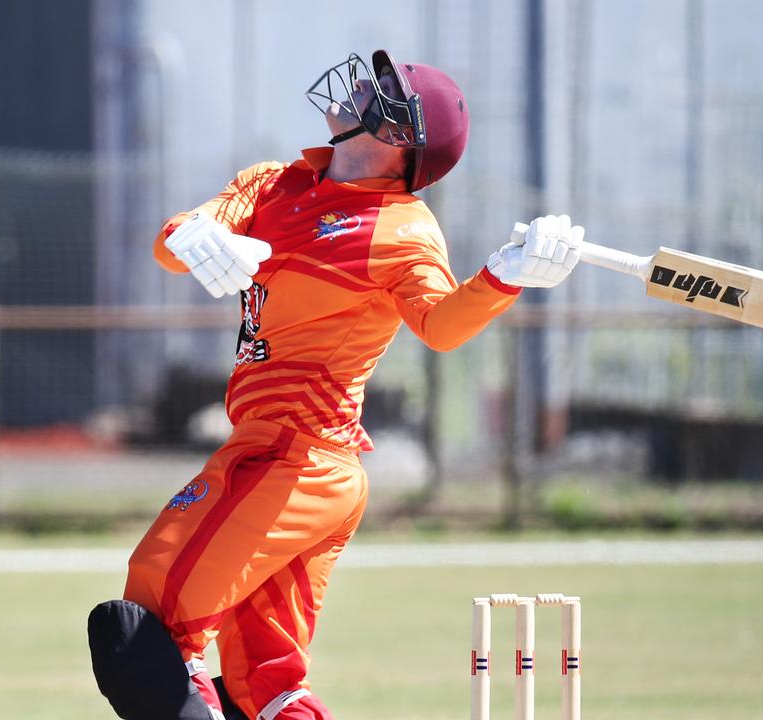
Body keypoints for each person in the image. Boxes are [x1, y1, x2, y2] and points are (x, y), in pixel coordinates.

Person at [87, 49, 585, 720]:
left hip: (298, 458)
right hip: (283, 455)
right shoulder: (274, 181)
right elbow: (173, 237)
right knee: (261, 681)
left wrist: (507, 276)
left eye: (382, 90)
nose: (359, 88)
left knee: (141, 629)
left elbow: (439, 325)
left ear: (400, 139)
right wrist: (195, 238)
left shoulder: (402, 228)